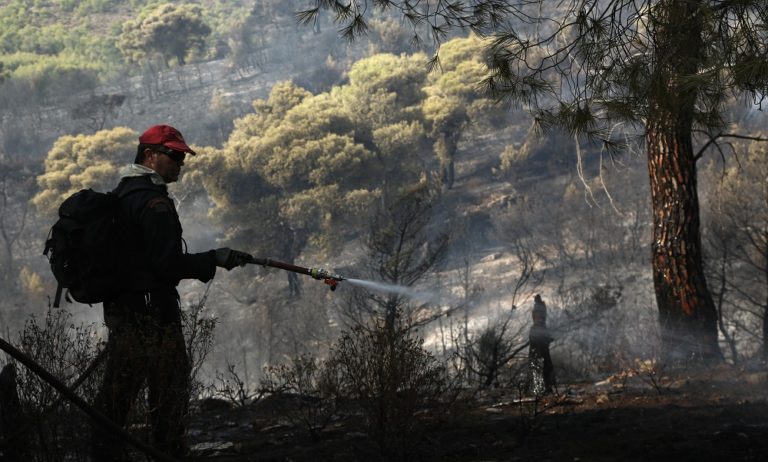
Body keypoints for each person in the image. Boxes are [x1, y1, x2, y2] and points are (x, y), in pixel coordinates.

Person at [91, 124, 252, 461]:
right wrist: (214, 259)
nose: (180, 162)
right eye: (174, 155)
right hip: (154, 317)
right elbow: (167, 266)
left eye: (181, 156)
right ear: (150, 156)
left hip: (124, 312)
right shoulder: (153, 203)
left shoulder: (123, 192)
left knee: (116, 400)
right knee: (168, 397)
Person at [528, 294, 555, 395]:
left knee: (544, 365)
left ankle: (543, 387)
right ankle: (541, 388)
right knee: (541, 365)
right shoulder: (537, 327)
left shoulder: (539, 310)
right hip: (539, 345)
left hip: (541, 345)